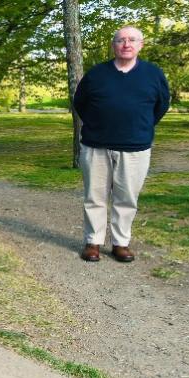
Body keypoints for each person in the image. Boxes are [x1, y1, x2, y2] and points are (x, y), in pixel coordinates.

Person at [73, 26, 169, 263]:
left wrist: (140, 126)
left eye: (132, 40)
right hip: (96, 146)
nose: (126, 44)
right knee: (94, 196)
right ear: (114, 45)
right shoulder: (96, 74)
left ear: (140, 45)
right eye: (121, 40)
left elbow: (161, 106)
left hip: (135, 148)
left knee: (126, 199)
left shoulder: (153, 74)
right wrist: (100, 125)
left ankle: (121, 243)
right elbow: (80, 103)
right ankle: (93, 242)